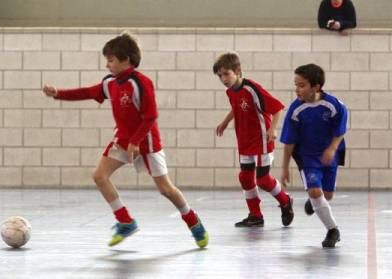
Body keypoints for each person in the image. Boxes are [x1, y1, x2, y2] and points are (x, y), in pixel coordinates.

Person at [42, 32, 208, 248]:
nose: (107, 65)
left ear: (126, 59)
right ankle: (125, 220)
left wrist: (136, 141)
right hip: (122, 141)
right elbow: (88, 92)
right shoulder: (110, 82)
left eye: (110, 60)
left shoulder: (141, 83)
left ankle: (193, 222)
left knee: (166, 189)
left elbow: (151, 116)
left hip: (146, 143)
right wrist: (58, 93)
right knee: (99, 176)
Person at [213, 52, 294, 228]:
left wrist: (272, 129)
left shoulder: (252, 89)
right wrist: (225, 122)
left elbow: (277, 107)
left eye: (226, 73)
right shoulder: (231, 91)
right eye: (220, 76)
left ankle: (285, 200)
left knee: (263, 180)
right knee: (245, 178)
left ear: (237, 71)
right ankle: (255, 215)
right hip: (244, 141)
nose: (223, 79)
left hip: (261, 140)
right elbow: (237, 108)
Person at [280, 64, 347, 248]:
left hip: (329, 154)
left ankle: (314, 199)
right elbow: (289, 141)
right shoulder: (295, 110)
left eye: (302, 85)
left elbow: (340, 130)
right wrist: (285, 167)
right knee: (316, 191)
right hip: (307, 156)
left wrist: (332, 149)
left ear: (316, 87)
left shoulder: (334, 105)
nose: (297, 89)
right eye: (296, 84)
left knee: (327, 194)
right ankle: (333, 230)